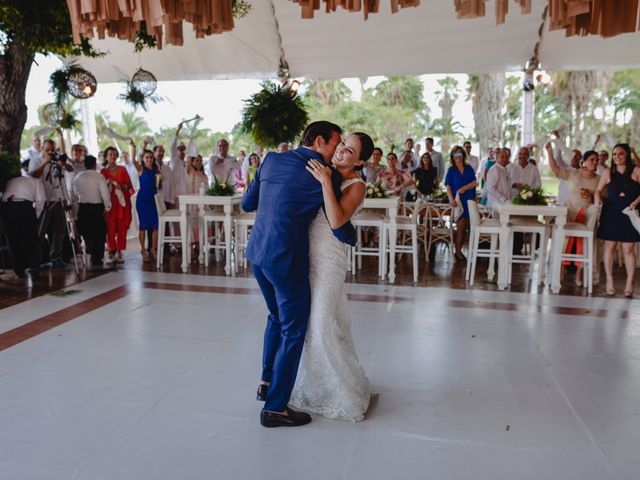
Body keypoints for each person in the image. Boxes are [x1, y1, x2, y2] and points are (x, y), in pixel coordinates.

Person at [243, 121, 357, 428]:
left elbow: (247, 203)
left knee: (275, 318)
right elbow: (338, 224)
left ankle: (266, 382)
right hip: (286, 260)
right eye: (335, 145)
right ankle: (275, 408)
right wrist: (353, 237)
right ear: (320, 141)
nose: (336, 152)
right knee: (294, 329)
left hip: (257, 253)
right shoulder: (323, 173)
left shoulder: (271, 159)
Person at [289, 132, 374, 422]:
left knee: (322, 322)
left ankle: (337, 393)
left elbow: (337, 220)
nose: (340, 152)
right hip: (308, 252)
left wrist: (325, 182)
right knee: (317, 321)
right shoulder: (324, 169)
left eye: (349, 151)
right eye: (341, 145)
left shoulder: (357, 185)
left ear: (359, 161)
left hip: (330, 259)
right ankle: (312, 387)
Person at [547, 144, 599, 285]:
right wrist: (549, 152)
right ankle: (561, 270)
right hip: (569, 214)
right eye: (592, 159)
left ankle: (579, 273)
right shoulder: (573, 174)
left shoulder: (598, 179)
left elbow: (602, 199)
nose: (595, 162)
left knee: (586, 241)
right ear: (584, 162)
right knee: (564, 237)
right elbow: (555, 169)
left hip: (587, 217)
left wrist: (592, 195)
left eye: (597, 160)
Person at [595, 144, 640, 297]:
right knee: (610, 247)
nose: (617, 157)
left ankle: (630, 281)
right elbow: (598, 190)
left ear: (627, 155)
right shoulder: (608, 172)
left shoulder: (636, 171)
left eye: (620, 154)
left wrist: (635, 202)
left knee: (628, 249)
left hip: (629, 212)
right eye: (614, 154)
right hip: (611, 212)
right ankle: (609, 280)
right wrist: (598, 200)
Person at [29, 136, 73, 267]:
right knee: (41, 231)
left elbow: (70, 169)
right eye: (47, 150)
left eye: (52, 150)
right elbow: (33, 174)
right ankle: (37, 259)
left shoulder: (56, 160)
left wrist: (62, 162)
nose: (50, 153)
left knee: (59, 231)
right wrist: (45, 162)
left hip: (58, 198)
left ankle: (55, 257)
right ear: (42, 149)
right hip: (42, 200)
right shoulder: (35, 160)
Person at [0, 171, 45, 278]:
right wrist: (37, 217)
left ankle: (19, 270)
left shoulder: (11, 180)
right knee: (30, 239)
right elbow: (41, 200)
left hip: (6, 207)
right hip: (24, 207)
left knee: (12, 240)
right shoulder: (37, 181)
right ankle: (34, 267)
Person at [73, 155, 111, 269]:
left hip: (83, 206)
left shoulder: (78, 177)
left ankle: (89, 245)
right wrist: (107, 208)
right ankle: (97, 257)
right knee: (99, 232)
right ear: (95, 164)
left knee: (86, 229)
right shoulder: (99, 177)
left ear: (85, 164)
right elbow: (105, 193)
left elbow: (75, 193)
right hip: (96, 207)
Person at [445, 145, 478, 261]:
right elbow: (448, 186)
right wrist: (450, 198)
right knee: (461, 225)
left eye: (459, 154)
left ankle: (469, 251)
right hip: (458, 202)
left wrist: (465, 187)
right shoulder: (451, 170)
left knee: (468, 227)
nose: (457, 157)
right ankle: (457, 251)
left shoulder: (468, 168)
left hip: (469, 201)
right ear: (452, 157)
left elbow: (475, 183)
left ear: (463, 155)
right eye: (455, 155)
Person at [101, 146, 133, 264]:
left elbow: (129, 185)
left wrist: (122, 187)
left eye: (115, 154)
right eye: (110, 154)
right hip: (109, 204)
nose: (113, 156)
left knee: (121, 228)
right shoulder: (103, 172)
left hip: (121, 203)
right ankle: (110, 251)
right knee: (110, 228)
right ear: (106, 157)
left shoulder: (123, 169)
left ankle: (119, 251)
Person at [130, 141, 159, 263]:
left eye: (151, 157)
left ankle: (153, 249)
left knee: (155, 226)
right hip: (142, 201)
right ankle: (143, 250)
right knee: (143, 226)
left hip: (153, 200)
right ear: (143, 159)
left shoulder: (156, 171)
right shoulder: (141, 169)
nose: (149, 159)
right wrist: (134, 149)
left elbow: (157, 186)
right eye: (147, 157)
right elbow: (133, 161)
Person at [486, 147, 512, 212]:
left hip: (504, 205)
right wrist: (503, 199)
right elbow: (491, 188)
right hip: (496, 206)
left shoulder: (505, 169)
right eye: (502, 157)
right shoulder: (494, 169)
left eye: (506, 157)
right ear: (497, 157)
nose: (504, 159)